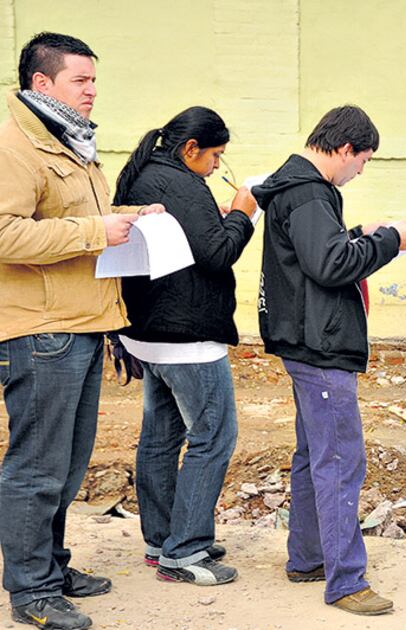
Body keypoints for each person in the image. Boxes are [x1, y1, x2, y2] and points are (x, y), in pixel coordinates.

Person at [0, 32, 163, 630]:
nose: (92, 91)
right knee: (37, 466)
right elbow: (4, 235)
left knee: (67, 465)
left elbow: (80, 220)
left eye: (94, 80)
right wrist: (97, 232)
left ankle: (51, 566)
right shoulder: (15, 147)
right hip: (41, 330)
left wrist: (127, 220)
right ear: (42, 84)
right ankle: (32, 591)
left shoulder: (68, 141)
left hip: (84, 323)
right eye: (80, 80)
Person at [252, 105, 406, 616]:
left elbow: (313, 254)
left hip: (304, 339)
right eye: (363, 160)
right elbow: (329, 266)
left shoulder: (297, 188)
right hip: (321, 345)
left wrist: (359, 232)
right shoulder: (308, 193)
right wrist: (390, 241)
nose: (361, 170)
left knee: (314, 454)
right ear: (344, 149)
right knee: (342, 460)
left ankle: (308, 557)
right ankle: (346, 580)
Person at [113, 106, 257, 586]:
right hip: (187, 337)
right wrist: (241, 213)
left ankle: (163, 539)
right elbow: (218, 253)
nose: (218, 166)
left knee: (160, 437)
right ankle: (187, 552)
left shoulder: (143, 175)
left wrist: (214, 220)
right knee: (214, 436)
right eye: (215, 156)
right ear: (190, 149)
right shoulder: (182, 183)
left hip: (146, 333)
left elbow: (190, 239)